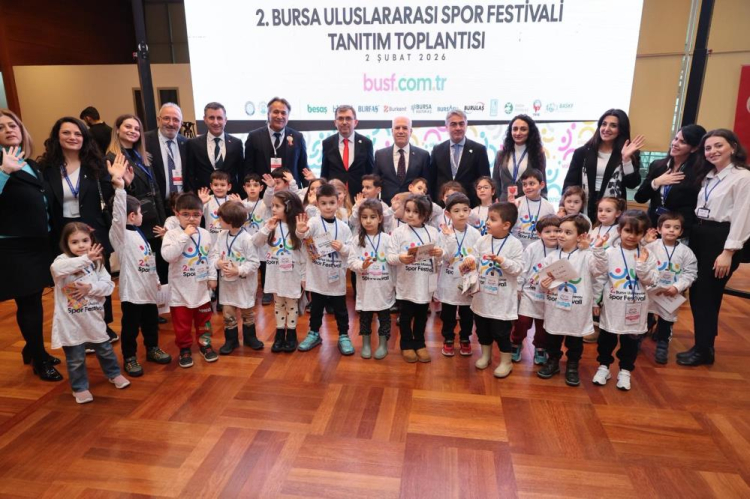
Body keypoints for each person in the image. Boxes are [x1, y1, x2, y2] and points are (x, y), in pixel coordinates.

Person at [39, 116, 118, 342]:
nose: (72, 137)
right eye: (66, 133)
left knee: (98, 275)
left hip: (93, 231)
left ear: (85, 138)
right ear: (57, 137)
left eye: (78, 133)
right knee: (70, 279)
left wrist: (120, 182)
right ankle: (78, 327)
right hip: (63, 232)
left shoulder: (97, 165)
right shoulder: (47, 168)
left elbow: (109, 196)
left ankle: (103, 325)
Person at [678, 129, 750, 366]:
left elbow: (743, 217)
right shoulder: (709, 176)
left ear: (733, 147)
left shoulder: (742, 177)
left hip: (720, 240)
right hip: (701, 233)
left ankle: (704, 349)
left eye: (718, 146)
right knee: (698, 293)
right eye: (708, 148)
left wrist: (728, 252)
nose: (712, 151)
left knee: (707, 295)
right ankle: (702, 345)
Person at [0, 109, 63, 381]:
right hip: (15, 247)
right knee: (28, 303)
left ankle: (32, 348)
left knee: (34, 300)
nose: (8, 130)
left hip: (39, 243)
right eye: (1, 127)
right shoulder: (4, 164)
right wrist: (4, 171)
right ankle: (39, 358)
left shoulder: (30, 163)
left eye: (12, 125)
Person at [50, 222, 129, 404]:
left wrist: (90, 288)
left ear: (91, 240)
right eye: (74, 242)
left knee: (105, 350)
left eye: (85, 240)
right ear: (66, 244)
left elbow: (108, 286)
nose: (81, 245)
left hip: (93, 318)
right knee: (76, 358)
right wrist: (87, 259)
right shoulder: (61, 261)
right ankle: (80, 387)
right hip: (71, 322)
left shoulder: (97, 262)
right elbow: (57, 270)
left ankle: (114, 374)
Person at [108, 155, 172, 377]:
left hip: (148, 290)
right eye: (140, 212)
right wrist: (119, 189)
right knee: (130, 327)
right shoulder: (120, 235)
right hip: (132, 294)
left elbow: (148, 260)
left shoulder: (138, 233)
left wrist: (156, 280)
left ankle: (152, 348)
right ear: (132, 216)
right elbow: (118, 215)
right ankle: (130, 357)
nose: (143, 215)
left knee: (151, 323)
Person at [538, 215, 609, 386]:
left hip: (577, 307)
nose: (561, 235)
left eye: (568, 232)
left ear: (580, 236)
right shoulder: (551, 257)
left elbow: (600, 269)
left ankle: (572, 365)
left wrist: (596, 248)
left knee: (575, 340)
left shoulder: (587, 256)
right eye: (560, 231)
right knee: (552, 337)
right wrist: (544, 284)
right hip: (555, 305)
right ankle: (553, 361)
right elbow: (542, 281)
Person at [458, 202, 524, 378]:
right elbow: (475, 256)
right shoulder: (483, 240)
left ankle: (506, 361)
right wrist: (469, 260)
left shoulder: (515, 244)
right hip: (482, 297)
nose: (487, 222)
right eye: (488, 218)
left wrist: (503, 261)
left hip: (502, 300)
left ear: (506, 225)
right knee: (482, 330)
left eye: (493, 219)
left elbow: (518, 268)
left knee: (501, 332)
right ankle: (485, 355)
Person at [593, 210, 658, 391]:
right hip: (613, 305)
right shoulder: (609, 252)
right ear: (619, 230)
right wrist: (595, 301)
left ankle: (625, 371)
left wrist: (641, 265)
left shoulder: (647, 254)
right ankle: (604, 367)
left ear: (643, 234)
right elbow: (599, 277)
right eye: (628, 230)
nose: (631, 236)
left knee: (631, 341)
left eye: (637, 232)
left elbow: (651, 280)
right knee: (606, 339)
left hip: (636, 307)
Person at [161, 192, 219, 367]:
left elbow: (211, 256)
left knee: (204, 320)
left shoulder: (205, 234)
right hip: (180, 291)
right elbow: (168, 256)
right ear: (176, 214)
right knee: (182, 325)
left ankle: (205, 344)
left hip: (201, 289)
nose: (191, 219)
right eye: (186, 214)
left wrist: (212, 276)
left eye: (196, 215)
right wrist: (184, 235)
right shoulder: (172, 235)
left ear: (201, 214)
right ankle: (185, 349)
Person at [296, 183, 354, 354]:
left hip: (337, 278)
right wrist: (300, 231)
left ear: (338, 202)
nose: (328, 207)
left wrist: (342, 247)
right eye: (324, 203)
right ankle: (314, 333)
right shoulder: (314, 222)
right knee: (316, 309)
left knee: (341, 310)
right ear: (317, 204)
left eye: (331, 203)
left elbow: (351, 250)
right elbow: (304, 235)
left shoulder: (343, 227)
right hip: (317, 277)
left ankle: (343, 335)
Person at [387, 195, 444, 363]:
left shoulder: (433, 232)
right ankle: (406, 344)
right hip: (406, 284)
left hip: (425, 284)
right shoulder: (398, 232)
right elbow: (390, 257)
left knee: (421, 316)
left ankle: (419, 343)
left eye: (416, 212)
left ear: (425, 214)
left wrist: (439, 254)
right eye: (408, 210)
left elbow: (441, 258)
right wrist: (400, 258)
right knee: (405, 317)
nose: (410, 215)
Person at [106, 114, 167, 266]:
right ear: (117, 130)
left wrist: (162, 220)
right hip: (134, 220)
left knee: (159, 264)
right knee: (143, 265)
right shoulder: (112, 159)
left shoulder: (143, 156)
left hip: (153, 216)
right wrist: (127, 185)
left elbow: (155, 189)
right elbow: (112, 199)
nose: (133, 131)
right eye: (128, 127)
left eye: (137, 129)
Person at [563, 109, 644, 220]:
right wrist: (562, 207)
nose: (606, 129)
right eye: (604, 124)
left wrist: (626, 159)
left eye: (613, 125)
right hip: (584, 205)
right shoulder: (582, 152)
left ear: (621, 129)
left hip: (613, 208)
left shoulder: (629, 153)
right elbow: (570, 182)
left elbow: (632, 184)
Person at [252, 190, 307, 353]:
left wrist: (304, 276)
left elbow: (304, 253)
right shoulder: (271, 224)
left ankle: (291, 334)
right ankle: (279, 334)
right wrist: (266, 228)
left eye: (277, 206)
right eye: (273, 206)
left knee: (291, 304)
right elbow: (256, 242)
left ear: (288, 207)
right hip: (275, 272)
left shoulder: (298, 226)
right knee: (278, 303)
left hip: (292, 273)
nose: (274, 209)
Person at [634, 124, 706, 241]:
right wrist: (656, 182)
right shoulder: (658, 165)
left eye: (682, 142)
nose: (675, 143)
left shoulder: (698, 172)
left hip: (679, 231)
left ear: (694, 148)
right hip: (653, 228)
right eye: (676, 139)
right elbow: (640, 197)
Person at [642, 213, 697, 364]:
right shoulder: (651, 246)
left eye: (676, 228)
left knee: (666, 319)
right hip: (651, 290)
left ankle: (662, 344)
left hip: (670, 293)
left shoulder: (686, 252)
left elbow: (690, 273)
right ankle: (640, 334)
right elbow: (640, 261)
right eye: (667, 227)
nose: (672, 230)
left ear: (681, 231)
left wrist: (677, 287)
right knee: (645, 314)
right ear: (659, 229)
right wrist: (645, 241)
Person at [208, 200, 262, 354]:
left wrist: (238, 270)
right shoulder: (221, 235)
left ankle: (250, 337)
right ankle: (231, 340)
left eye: (221, 219)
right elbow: (214, 255)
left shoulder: (247, 239)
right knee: (228, 313)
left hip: (244, 284)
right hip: (227, 284)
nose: (218, 221)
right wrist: (218, 263)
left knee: (247, 312)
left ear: (230, 221)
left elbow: (254, 263)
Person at [347, 199, 395, 359]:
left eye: (372, 217)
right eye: (364, 217)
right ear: (360, 219)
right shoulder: (356, 240)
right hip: (366, 288)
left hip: (384, 287)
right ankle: (366, 343)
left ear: (380, 218)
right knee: (365, 317)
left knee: (384, 317)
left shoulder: (388, 239)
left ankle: (383, 344)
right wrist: (362, 265)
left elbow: (393, 260)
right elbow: (351, 262)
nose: (368, 221)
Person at [512, 215, 560, 366]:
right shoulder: (532, 248)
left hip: (549, 295)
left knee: (542, 326)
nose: (552, 234)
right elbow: (523, 269)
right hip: (529, 292)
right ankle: (516, 343)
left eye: (556, 231)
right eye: (548, 231)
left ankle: (540, 347)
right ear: (539, 234)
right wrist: (519, 287)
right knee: (522, 322)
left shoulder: (562, 249)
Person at [436, 193, 481, 357]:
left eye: (465, 210)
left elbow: (479, 255)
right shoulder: (443, 233)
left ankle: (465, 338)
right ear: (448, 214)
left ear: (469, 211)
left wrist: (472, 260)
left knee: (467, 314)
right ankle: (448, 338)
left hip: (467, 282)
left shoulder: (475, 234)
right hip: (449, 280)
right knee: (448, 313)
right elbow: (445, 257)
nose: (461, 214)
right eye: (456, 211)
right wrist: (449, 238)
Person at [429, 109, 490, 207]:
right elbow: (432, 181)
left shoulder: (479, 150)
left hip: (470, 205)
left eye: (461, 124)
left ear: (466, 125)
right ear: (446, 127)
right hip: (442, 206)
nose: (458, 128)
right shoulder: (437, 150)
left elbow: (484, 180)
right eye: (453, 124)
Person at [244, 97, 308, 187]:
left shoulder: (298, 137)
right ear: (268, 114)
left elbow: (303, 168)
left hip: (291, 191)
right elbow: (248, 170)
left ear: (288, 116)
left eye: (283, 113)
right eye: (276, 112)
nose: (279, 116)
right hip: (264, 191)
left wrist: (307, 191)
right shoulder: (254, 137)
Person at [185, 102, 244, 193]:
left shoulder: (236, 143)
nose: (216, 122)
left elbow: (241, 173)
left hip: (231, 197)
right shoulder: (194, 144)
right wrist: (193, 197)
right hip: (204, 197)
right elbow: (190, 175)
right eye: (211, 118)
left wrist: (241, 196)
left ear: (225, 120)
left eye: (219, 118)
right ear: (205, 119)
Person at [320, 105, 374, 199]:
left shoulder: (366, 143)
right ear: (335, 122)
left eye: (348, 118)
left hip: (359, 197)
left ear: (355, 122)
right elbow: (324, 173)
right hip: (334, 197)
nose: (344, 122)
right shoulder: (327, 143)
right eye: (340, 118)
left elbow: (370, 173)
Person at [373, 116, 431, 203]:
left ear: (410, 131)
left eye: (404, 128)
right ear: (392, 131)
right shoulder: (380, 155)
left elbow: (427, 186)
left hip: (414, 207)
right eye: (397, 128)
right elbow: (375, 184)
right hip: (387, 207)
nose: (400, 131)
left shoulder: (423, 155)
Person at [492, 114, 547, 201]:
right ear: (510, 131)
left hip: (528, 203)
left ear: (530, 132)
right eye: (515, 129)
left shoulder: (538, 154)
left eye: (523, 129)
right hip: (504, 204)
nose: (518, 133)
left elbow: (542, 184)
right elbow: (496, 183)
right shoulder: (501, 155)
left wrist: (544, 203)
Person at [511, 169, 557, 248]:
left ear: (541, 185)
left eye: (531, 183)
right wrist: (510, 210)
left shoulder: (549, 207)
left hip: (540, 248)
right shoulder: (516, 203)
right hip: (518, 248)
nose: (528, 187)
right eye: (524, 184)